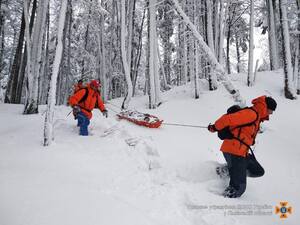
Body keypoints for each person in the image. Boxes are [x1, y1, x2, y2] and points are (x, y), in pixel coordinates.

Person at [208, 95, 277, 198]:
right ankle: (221, 199)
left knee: (257, 170)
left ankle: (226, 171)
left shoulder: (257, 117)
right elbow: (228, 119)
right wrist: (214, 127)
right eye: (270, 111)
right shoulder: (251, 114)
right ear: (265, 108)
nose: (270, 114)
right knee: (238, 188)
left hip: (241, 151)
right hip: (234, 150)